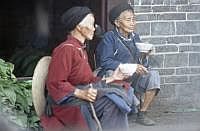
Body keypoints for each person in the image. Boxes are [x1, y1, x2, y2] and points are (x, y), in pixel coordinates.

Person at [41, 6, 133, 131]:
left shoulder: (80, 49)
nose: (95, 28)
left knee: (119, 90)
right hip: (67, 104)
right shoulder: (66, 49)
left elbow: (88, 81)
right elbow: (55, 83)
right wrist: (80, 93)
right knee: (111, 103)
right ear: (79, 26)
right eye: (91, 24)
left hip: (80, 96)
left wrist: (112, 78)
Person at [96, 3, 160, 126]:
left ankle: (142, 113)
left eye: (134, 19)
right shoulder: (109, 38)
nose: (132, 23)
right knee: (110, 73)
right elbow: (105, 62)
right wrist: (130, 67)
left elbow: (141, 62)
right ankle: (123, 110)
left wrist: (145, 56)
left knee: (153, 75)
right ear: (117, 22)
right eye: (128, 20)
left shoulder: (135, 37)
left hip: (133, 75)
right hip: (116, 75)